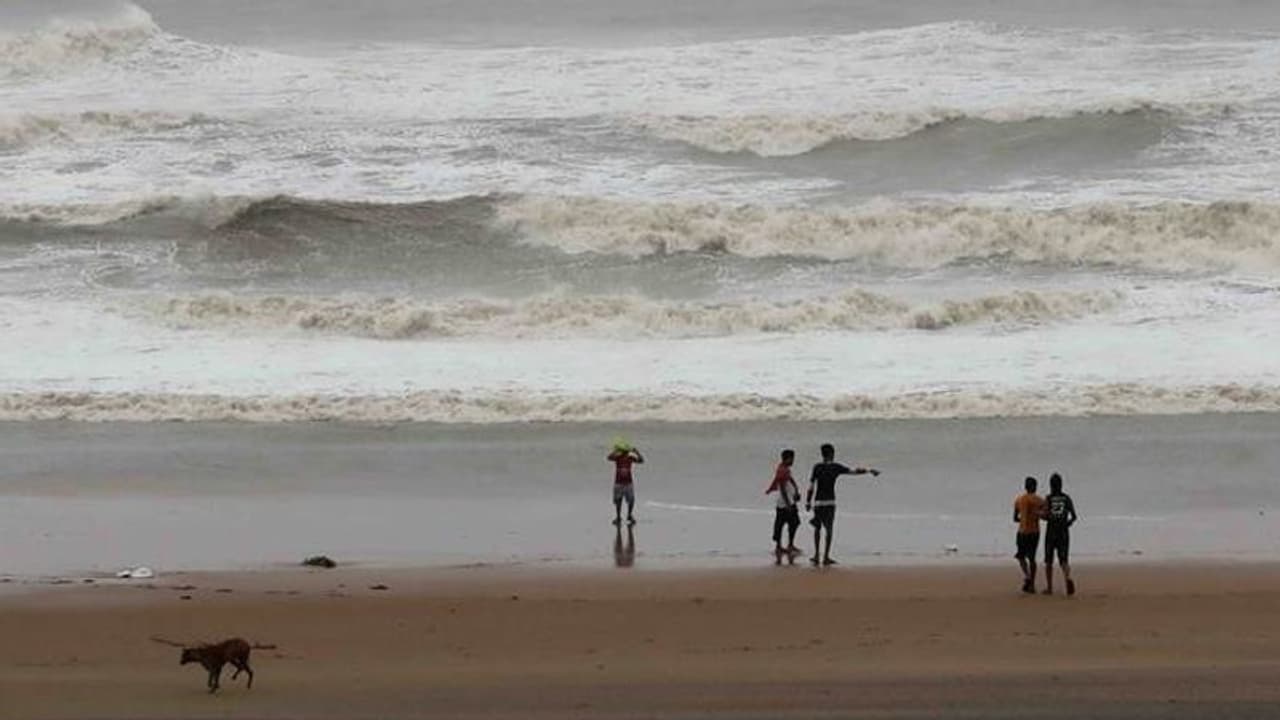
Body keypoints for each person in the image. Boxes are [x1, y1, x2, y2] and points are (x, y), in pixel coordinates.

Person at [804, 443, 880, 567]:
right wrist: (869, 470)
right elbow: (854, 471)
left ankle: (816, 555)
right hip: (830, 502)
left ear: (822, 454)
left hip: (818, 502)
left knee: (817, 528)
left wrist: (808, 501)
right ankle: (826, 556)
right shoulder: (836, 467)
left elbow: (811, 486)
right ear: (831, 454)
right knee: (829, 529)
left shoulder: (817, 467)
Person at [1043, 472, 1078, 596]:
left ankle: (1049, 588)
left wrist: (1039, 515)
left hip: (1051, 531)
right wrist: (1069, 523)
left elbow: (1046, 515)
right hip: (1063, 531)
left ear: (1051, 485)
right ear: (1061, 485)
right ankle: (1067, 577)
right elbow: (1074, 516)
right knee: (1064, 560)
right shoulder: (1066, 498)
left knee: (1049, 561)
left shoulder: (1048, 498)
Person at [765, 449, 802, 563]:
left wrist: (796, 492)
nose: (793, 461)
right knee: (783, 524)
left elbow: (790, 483)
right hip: (784, 503)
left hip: (789, 501)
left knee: (793, 523)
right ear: (787, 459)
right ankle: (781, 546)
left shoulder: (786, 469)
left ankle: (788, 545)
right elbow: (782, 488)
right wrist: (788, 504)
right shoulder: (782, 470)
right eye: (792, 458)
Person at [1013, 476, 1046, 594]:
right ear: (1035, 487)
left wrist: (1023, 519)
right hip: (1034, 532)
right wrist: (1037, 515)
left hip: (1022, 532)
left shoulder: (1019, 500)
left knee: (1021, 556)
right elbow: (1045, 515)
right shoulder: (1040, 500)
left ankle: (1027, 576)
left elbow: (1015, 518)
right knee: (1032, 558)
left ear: (1025, 487)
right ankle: (1031, 583)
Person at [607, 439, 644, 526]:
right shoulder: (618, 458)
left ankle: (629, 515)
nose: (625, 453)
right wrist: (616, 451)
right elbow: (609, 457)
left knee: (631, 500)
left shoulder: (630, 458)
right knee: (618, 500)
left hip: (628, 482)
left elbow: (641, 460)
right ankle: (618, 517)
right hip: (619, 482)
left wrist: (636, 452)